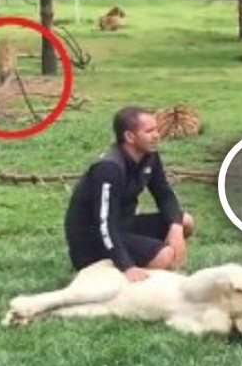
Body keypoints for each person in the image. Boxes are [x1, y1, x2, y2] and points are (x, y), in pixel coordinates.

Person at [64, 105, 195, 282]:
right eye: (149, 131)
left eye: (156, 129)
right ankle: (126, 276)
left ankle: (147, 263)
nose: (156, 135)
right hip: (93, 241)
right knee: (165, 256)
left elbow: (164, 194)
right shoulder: (108, 169)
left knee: (184, 221)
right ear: (129, 136)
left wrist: (175, 228)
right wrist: (127, 266)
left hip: (123, 226)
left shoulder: (150, 157)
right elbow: (104, 224)